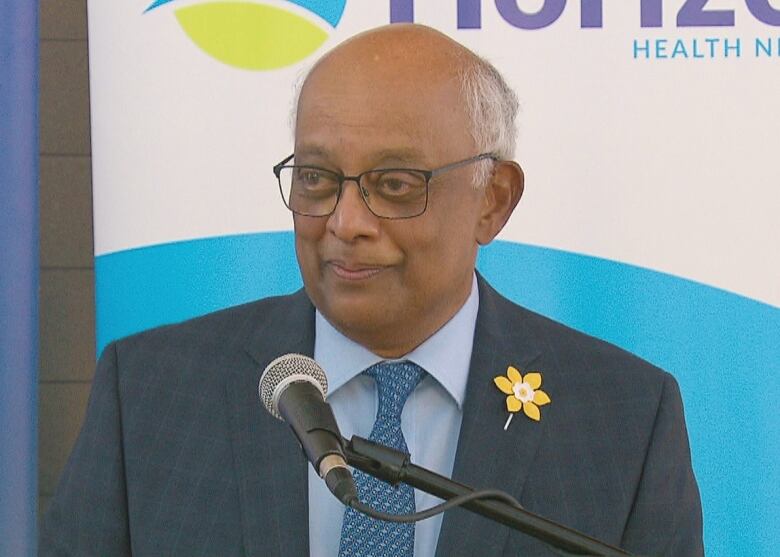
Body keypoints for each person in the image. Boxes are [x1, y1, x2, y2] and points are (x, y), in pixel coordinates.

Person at [40, 24, 703, 556]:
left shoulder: (624, 417)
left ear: (492, 202)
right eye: (316, 178)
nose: (345, 223)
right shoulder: (153, 390)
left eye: (394, 185)